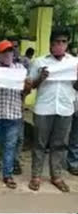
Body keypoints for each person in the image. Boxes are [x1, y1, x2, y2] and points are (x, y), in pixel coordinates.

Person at [28, 30, 78, 192]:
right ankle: (36, 176)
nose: (59, 45)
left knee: (60, 144)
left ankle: (56, 176)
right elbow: (30, 86)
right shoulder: (39, 62)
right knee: (39, 144)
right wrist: (40, 78)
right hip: (44, 108)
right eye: (56, 42)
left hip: (65, 108)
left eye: (63, 42)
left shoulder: (74, 63)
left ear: (67, 44)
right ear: (50, 43)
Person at [0, 40, 31, 190]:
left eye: (10, 51)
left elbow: (25, 92)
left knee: (10, 146)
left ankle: (7, 175)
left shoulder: (20, 69)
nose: (8, 54)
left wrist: (27, 86)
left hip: (13, 113)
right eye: (4, 51)